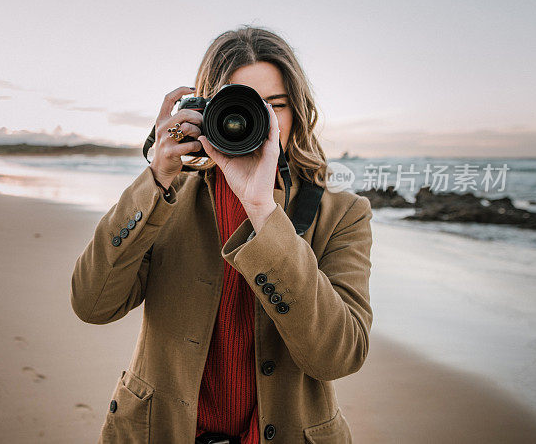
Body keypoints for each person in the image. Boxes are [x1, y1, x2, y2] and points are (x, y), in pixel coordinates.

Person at [70, 26, 373, 444]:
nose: (260, 120)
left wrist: (263, 212)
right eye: (240, 104)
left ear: (297, 114)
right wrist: (157, 178)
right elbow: (92, 303)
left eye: (276, 105)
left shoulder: (342, 215)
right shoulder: (165, 201)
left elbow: (339, 355)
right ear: (204, 111)